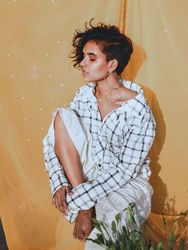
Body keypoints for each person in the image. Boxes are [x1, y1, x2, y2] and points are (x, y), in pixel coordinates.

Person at [42, 20, 156, 249]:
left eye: (91, 58)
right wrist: (59, 182)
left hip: (126, 184)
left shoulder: (138, 111)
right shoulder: (84, 96)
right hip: (88, 172)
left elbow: (124, 172)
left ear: (112, 64)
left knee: (101, 239)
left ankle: (93, 211)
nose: (83, 64)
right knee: (61, 116)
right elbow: (51, 141)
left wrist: (81, 199)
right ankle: (86, 207)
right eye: (84, 57)